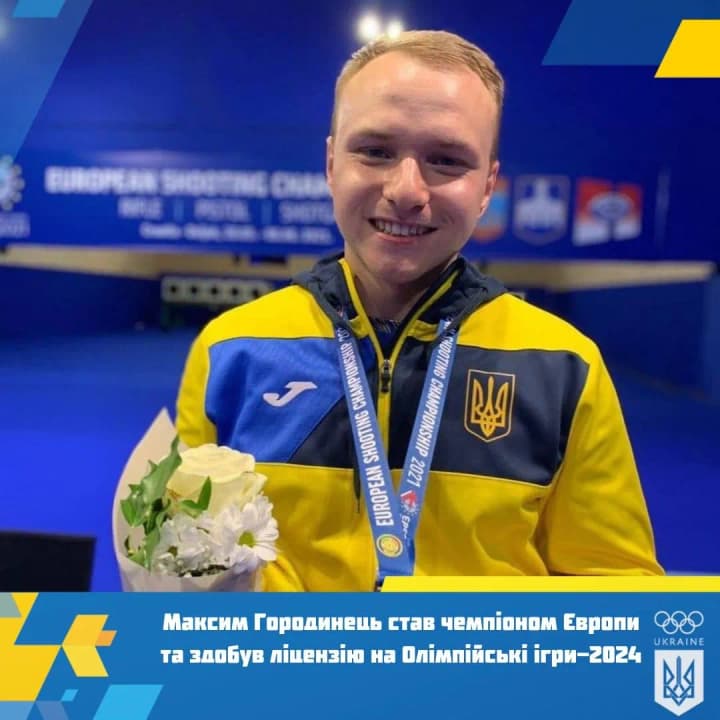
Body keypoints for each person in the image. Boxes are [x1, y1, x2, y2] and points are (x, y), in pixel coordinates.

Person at [176, 30, 662, 590]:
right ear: (331, 163)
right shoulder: (230, 349)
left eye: (446, 160)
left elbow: (617, 593)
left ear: (487, 186)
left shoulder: (565, 366)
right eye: (375, 151)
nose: (407, 190)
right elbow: (180, 551)